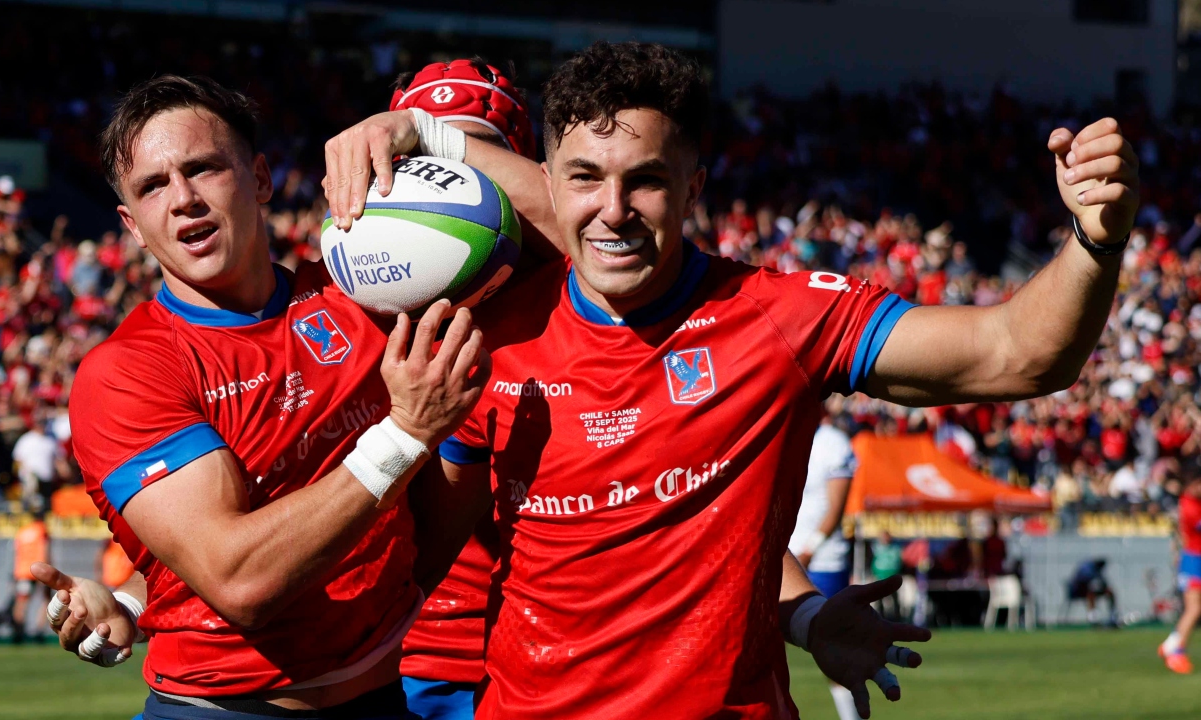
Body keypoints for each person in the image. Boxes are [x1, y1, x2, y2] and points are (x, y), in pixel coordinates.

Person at [322, 39, 1138, 720]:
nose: (613, 209)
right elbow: (423, 563)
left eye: (644, 179)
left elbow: (1017, 354)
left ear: (695, 186)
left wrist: (1092, 242)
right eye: (583, 178)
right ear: (546, 177)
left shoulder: (779, 316)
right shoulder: (484, 342)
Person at [44, 74, 489, 719]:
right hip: (223, 710)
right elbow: (241, 580)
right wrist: (406, 435)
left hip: (385, 699)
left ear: (259, 178)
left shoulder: (364, 300)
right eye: (153, 186)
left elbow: (564, 231)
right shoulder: (127, 372)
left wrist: (430, 134)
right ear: (132, 225)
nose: (183, 199)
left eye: (203, 169)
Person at [387, 58, 538, 720]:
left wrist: (803, 611)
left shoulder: (586, 296)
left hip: (537, 663)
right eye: (428, 153)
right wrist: (134, 595)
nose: (458, 178)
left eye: (480, 152)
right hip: (387, 661)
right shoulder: (346, 301)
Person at [788, 418, 861, 720]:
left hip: (821, 561)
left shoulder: (833, 443)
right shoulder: (783, 432)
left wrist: (806, 551)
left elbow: (836, 509)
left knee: (831, 646)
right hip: (782, 557)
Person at [1160, 467, 1201, 673]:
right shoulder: (1190, 505)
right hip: (1194, 560)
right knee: (1193, 608)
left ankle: (1170, 645)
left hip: (1194, 558)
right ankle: (1176, 653)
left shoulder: (1192, 501)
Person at [10, 508, 51, 643]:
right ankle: (39, 631)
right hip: (39, 569)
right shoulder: (42, 530)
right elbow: (44, 551)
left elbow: (17, 552)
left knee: (21, 602)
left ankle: (18, 631)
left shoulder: (22, 531)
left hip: (22, 571)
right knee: (46, 600)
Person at [1067, 558, 1118, 627]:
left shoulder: (1097, 570)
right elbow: (1085, 580)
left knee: (1109, 592)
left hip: (1090, 590)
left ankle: (1113, 616)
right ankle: (1093, 616)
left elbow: (1102, 582)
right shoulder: (1086, 567)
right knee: (1091, 593)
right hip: (1077, 591)